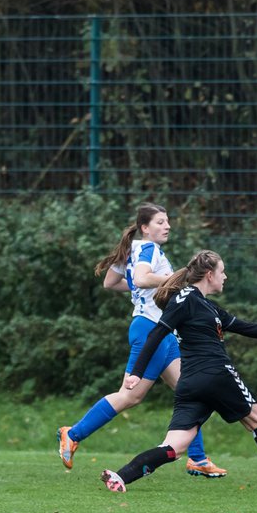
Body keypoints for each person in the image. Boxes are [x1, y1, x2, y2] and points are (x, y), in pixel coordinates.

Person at [101, 250, 257, 495]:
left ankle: (122, 476)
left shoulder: (207, 306)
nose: (225, 277)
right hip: (216, 373)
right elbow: (156, 333)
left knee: (174, 446)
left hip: (190, 383)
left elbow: (245, 327)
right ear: (210, 274)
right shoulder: (186, 299)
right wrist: (136, 372)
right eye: (222, 272)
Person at [56, 203, 228, 478]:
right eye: (160, 222)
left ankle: (197, 458)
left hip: (161, 331)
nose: (167, 226)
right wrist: (177, 280)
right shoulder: (148, 248)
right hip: (151, 329)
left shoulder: (134, 249)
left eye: (168, 220)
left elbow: (111, 284)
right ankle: (72, 433)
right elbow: (141, 278)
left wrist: (143, 285)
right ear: (145, 228)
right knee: (131, 395)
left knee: (192, 391)